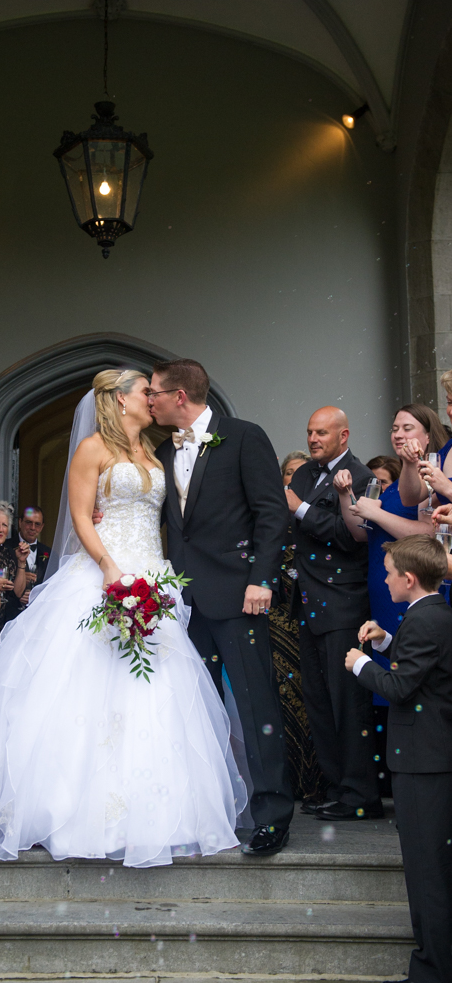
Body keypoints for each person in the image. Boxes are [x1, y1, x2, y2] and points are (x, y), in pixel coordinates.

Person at [0, 369, 247, 867]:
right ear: (121, 401)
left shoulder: (156, 451)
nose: (153, 398)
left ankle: (162, 814)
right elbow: (79, 516)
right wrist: (108, 567)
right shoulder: (93, 449)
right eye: (145, 391)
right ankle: (65, 809)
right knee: (79, 689)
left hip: (152, 576)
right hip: (103, 573)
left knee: (158, 693)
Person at [147, 358, 293, 856]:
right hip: (183, 602)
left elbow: (272, 513)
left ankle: (272, 815)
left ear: (180, 396)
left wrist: (261, 580)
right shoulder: (163, 450)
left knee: (255, 707)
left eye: (155, 393)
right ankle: (208, 811)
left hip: (239, 596)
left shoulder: (244, 436)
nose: (150, 400)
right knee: (195, 711)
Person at [346, 534, 452, 983]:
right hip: (429, 757)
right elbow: (423, 671)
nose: (384, 579)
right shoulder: (433, 615)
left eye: (389, 573)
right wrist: (387, 641)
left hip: (425, 761)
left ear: (409, 579)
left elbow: (401, 688)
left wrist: (359, 665)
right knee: (430, 869)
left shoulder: (427, 621)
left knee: (428, 872)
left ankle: (434, 969)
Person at [333, 407, 439, 792]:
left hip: (411, 583)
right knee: (388, 674)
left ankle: (418, 777)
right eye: (394, 427)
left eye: (408, 427)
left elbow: (426, 532)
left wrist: (377, 514)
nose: (398, 433)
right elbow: (362, 532)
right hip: (384, 586)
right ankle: (395, 780)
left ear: (428, 435)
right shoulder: (391, 485)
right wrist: (348, 497)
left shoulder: (429, 474)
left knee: (412, 677)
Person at [287, 406, 380, 821]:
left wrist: (301, 510)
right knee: (319, 700)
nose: (313, 439)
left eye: (322, 433)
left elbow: (351, 538)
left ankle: (361, 794)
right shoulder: (305, 474)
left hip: (342, 601)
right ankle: (335, 786)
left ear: (344, 436)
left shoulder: (363, 478)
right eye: (309, 432)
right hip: (306, 600)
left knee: (348, 702)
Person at [268, 450, 325, 802]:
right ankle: (286, 777)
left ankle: (316, 781)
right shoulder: (272, 515)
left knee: (313, 699)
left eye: (300, 472)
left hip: (310, 615)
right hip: (276, 618)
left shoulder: (315, 514)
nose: (293, 478)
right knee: (281, 699)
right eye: (288, 472)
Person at [0, 500, 29, 645]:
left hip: (5, 624)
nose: (1, 529)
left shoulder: (10, 554)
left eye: (5, 525)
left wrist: (21, 563)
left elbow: (17, 592)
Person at [3, 506, 52, 618]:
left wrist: (37, 596)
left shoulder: (50, 553)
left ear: (42, 526)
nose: (33, 528)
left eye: (37, 524)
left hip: (38, 615)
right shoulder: (6, 547)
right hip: (9, 614)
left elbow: (54, 586)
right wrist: (19, 577)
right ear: (20, 522)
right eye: (29, 522)